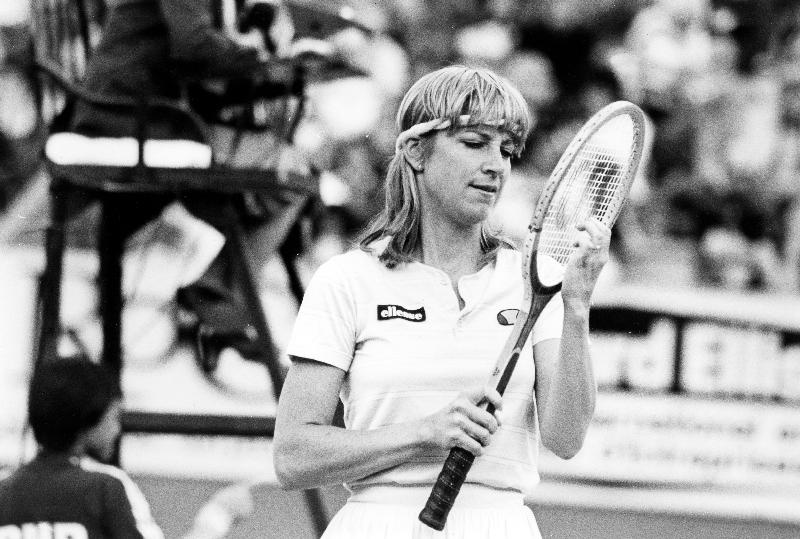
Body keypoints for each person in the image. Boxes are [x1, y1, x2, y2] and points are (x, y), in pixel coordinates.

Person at [273, 65, 608, 538]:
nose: (497, 165)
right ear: (415, 151)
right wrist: (425, 432)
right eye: (474, 143)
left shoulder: (535, 281)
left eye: (507, 149)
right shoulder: (348, 280)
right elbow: (293, 457)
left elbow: (567, 438)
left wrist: (576, 307)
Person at [68, 0, 314, 369]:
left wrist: (250, 52)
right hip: (131, 119)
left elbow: (194, 49)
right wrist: (260, 53)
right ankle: (217, 297)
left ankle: (218, 296)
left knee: (291, 174)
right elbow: (194, 46)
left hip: (146, 114)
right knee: (295, 174)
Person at [0, 358, 254, 538]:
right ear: (91, 419)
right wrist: (218, 515)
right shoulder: (105, 489)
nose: (116, 429)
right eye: (114, 416)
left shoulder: (4, 493)